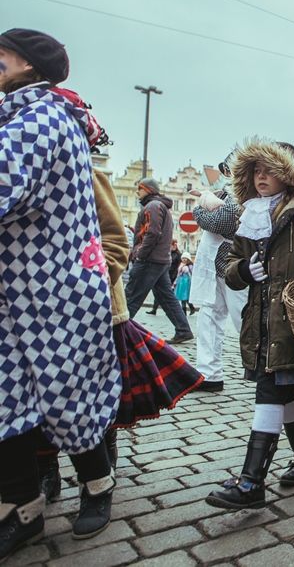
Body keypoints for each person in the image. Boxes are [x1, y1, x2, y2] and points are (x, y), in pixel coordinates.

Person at [35, 88, 203, 538]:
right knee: (33, 399)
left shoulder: (91, 177)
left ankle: (98, 477)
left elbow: (117, 241)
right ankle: (44, 472)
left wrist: (95, 281)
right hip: (27, 314)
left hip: (94, 308)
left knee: (91, 394)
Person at [0, 28, 121, 560]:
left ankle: (97, 484)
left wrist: (108, 275)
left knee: (67, 397)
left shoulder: (43, 119)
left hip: (53, 291)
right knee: (7, 403)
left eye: (1, 54)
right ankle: (21, 508)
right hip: (14, 292)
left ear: (29, 64)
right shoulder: (20, 117)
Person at [206, 140, 294, 510]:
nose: (261, 177)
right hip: (260, 322)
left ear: (288, 173)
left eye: (270, 170)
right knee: (284, 387)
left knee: (269, 390)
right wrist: (243, 271)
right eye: (256, 171)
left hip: (292, 321)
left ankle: (251, 481)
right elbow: (230, 265)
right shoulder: (249, 214)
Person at [190, 157, 246, 393]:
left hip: (235, 267)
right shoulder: (226, 192)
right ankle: (209, 374)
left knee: (245, 319)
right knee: (209, 319)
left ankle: (268, 368)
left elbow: (223, 221)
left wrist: (199, 208)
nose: (225, 174)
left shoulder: (243, 193)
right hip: (216, 267)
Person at [125, 181, 194, 341]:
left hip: (149, 260)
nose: (137, 193)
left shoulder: (153, 206)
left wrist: (140, 253)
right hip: (160, 260)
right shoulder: (159, 206)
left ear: (148, 190)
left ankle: (116, 332)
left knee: (131, 296)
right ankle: (183, 330)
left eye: (140, 189)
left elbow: (153, 233)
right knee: (166, 297)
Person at [147, 239, 182, 314]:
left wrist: (175, 277)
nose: (174, 246)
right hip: (164, 274)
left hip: (172, 276)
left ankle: (172, 311)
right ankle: (154, 309)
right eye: (172, 244)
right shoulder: (167, 252)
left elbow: (178, 266)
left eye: (175, 245)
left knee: (169, 295)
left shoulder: (178, 255)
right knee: (157, 292)